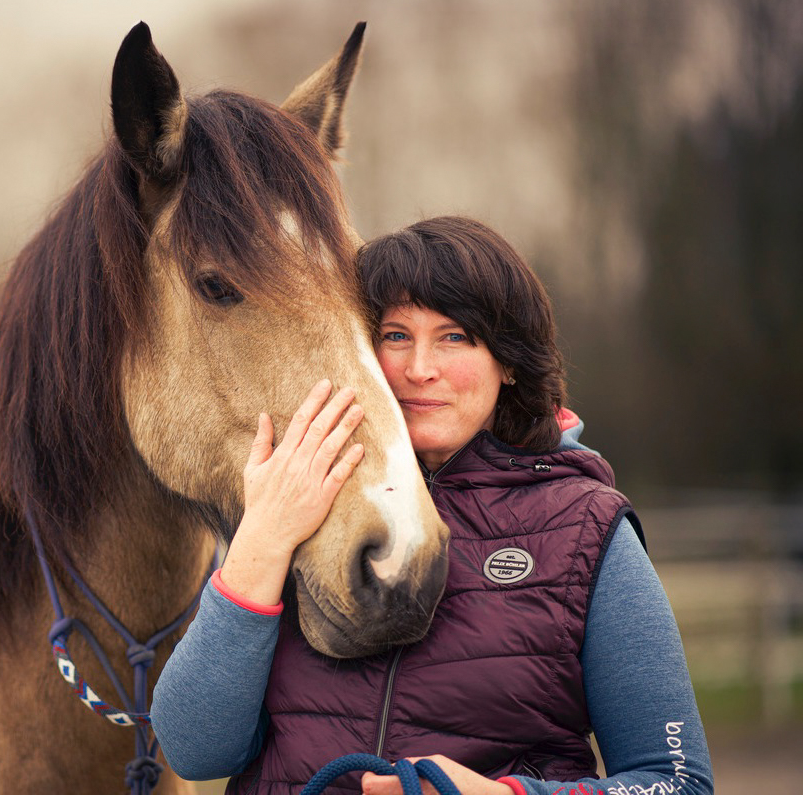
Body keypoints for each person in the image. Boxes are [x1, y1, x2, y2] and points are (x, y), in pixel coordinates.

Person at [150, 217, 714, 795]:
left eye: (455, 337)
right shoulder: (305, 505)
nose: (420, 369)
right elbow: (195, 750)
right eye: (395, 336)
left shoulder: (586, 529)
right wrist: (264, 537)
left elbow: (675, 782)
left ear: (509, 361)